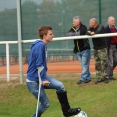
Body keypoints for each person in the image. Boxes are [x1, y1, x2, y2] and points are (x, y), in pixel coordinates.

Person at [26, 26, 81, 117]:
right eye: (50, 34)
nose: (53, 35)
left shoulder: (41, 45)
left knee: (60, 86)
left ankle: (66, 111)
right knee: (45, 104)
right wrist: (43, 79)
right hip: (34, 81)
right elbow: (39, 64)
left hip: (41, 77)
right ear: (44, 36)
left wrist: (43, 77)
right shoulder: (40, 45)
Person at [67, 16, 92, 84]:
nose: (73, 23)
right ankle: (88, 77)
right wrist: (76, 34)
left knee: (85, 64)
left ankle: (83, 78)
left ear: (78, 22)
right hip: (78, 50)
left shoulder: (83, 27)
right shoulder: (73, 28)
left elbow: (80, 34)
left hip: (85, 49)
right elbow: (68, 34)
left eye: (74, 22)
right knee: (83, 65)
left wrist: (74, 34)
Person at [86, 18, 109, 84]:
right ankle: (99, 78)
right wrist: (90, 32)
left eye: (90, 22)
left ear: (94, 23)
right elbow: (87, 32)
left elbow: (97, 32)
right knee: (97, 64)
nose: (89, 24)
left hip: (102, 48)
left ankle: (105, 77)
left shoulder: (100, 26)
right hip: (95, 48)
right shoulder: (91, 28)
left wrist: (93, 33)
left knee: (103, 63)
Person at [105, 16, 117, 80]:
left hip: (115, 46)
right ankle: (110, 76)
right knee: (110, 62)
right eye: (112, 21)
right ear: (108, 22)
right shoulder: (106, 29)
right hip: (110, 47)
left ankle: (108, 72)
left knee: (116, 60)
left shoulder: (116, 28)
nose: (113, 22)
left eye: (114, 20)